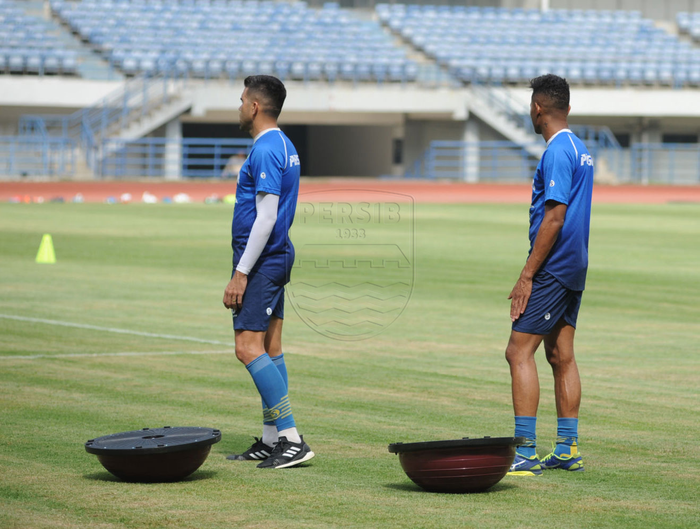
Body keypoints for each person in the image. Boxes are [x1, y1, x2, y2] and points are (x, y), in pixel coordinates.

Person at [222, 75, 313, 469]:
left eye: (242, 100)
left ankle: (292, 439)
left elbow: (267, 216)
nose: (239, 106)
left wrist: (241, 272)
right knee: (270, 348)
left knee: (247, 347)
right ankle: (272, 438)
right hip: (275, 256)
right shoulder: (284, 144)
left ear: (255, 107)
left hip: (262, 260)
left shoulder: (264, 151)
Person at [505, 74, 593, 476]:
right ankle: (567, 447)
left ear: (537, 109)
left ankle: (524, 452)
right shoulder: (581, 148)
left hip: (553, 267)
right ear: (567, 109)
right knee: (560, 355)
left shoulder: (557, 152)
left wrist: (527, 275)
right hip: (575, 265)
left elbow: (554, 217)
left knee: (518, 352)